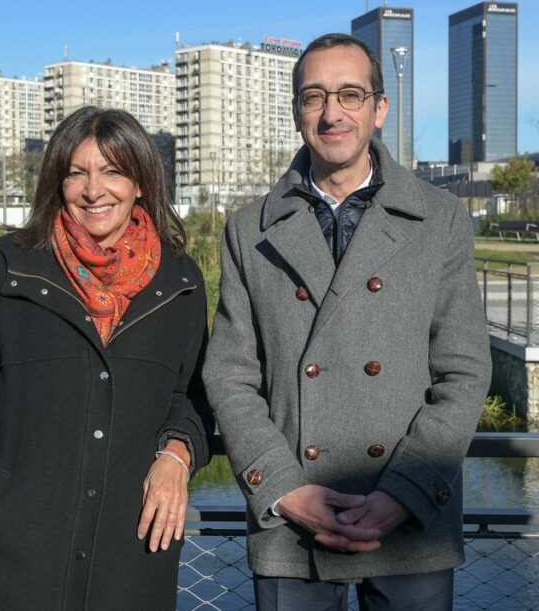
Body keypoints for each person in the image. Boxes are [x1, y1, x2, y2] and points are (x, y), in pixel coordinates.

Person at [204, 33, 492, 611]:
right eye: (314, 97)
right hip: (294, 522)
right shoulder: (248, 228)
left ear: (379, 108)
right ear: (296, 114)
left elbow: (463, 371)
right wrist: (284, 490)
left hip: (410, 520)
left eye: (350, 94)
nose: (332, 112)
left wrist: (405, 491)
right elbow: (230, 376)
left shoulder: (439, 220)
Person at [0, 106, 213, 610]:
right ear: (59, 183)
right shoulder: (10, 268)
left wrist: (177, 454)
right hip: (9, 557)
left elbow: (192, 397)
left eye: (113, 171)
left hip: (129, 555)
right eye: (77, 173)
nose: (94, 190)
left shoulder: (180, 284)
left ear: (141, 182)